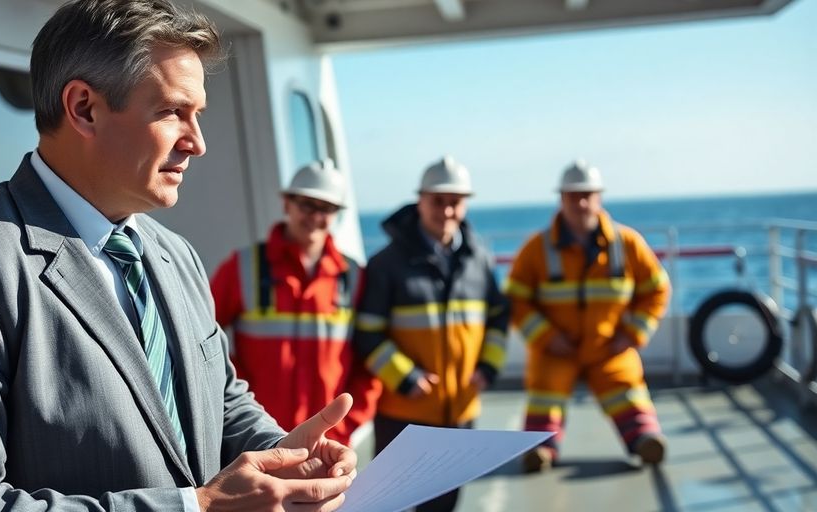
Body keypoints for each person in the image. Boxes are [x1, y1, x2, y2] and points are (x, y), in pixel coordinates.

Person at [0, 1, 356, 510]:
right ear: (83, 108)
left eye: (198, 115)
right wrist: (195, 506)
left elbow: (221, 399)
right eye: (172, 111)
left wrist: (284, 457)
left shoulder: (177, 256)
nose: (197, 143)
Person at [352, 156, 510, 511]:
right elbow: (367, 333)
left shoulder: (479, 259)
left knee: (444, 504)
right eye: (438, 200)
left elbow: (500, 317)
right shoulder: (386, 264)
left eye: (455, 201)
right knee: (392, 500)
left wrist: (488, 368)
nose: (447, 210)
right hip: (402, 413)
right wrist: (406, 378)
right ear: (420, 200)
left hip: (461, 413)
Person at [504, 160, 670, 472]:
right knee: (545, 393)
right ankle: (540, 450)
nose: (580, 203)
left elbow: (657, 290)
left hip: (609, 346)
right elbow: (516, 298)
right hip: (555, 348)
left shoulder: (628, 244)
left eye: (587, 195)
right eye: (572, 196)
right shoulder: (537, 248)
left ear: (599, 197)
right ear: (561, 199)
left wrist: (632, 334)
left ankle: (645, 441)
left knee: (626, 389)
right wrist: (546, 337)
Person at [211, 160, 381, 446]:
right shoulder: (243, 267)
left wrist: (344, 424)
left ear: (337, 214)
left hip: (328, 442)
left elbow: (370, 358)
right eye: (306, 205)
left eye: (326, 208)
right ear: (286, 204)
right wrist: (236, 402)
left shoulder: (353, 276)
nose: (316, 216)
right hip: (256, 438)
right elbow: (202, 342)